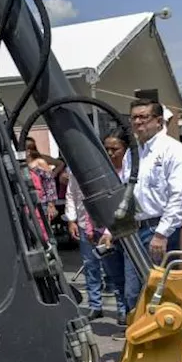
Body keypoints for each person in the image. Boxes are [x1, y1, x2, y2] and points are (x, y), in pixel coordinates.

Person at [122, 100, 182, 315]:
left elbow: (179, 195)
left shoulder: (173, 150)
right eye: (134, 117)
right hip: (135, 229)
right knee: (134, 293)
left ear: (159, 121)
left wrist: (162, 234)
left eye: (144, 117)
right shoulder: (132, 153)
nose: (138, 122)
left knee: (163, 292)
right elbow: (126, 192)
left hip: (161, 230)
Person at [66, 133, 129, 322]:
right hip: (89, 226)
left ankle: (123, 309)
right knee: (90, 266)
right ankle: (95, 305)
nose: (109, 153)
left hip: (118, 228)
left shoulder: (127, 171)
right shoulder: (80, 170)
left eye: (114, 149)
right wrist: (71, 219)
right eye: (106, 149)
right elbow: (72, 194)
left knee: (116, 271)